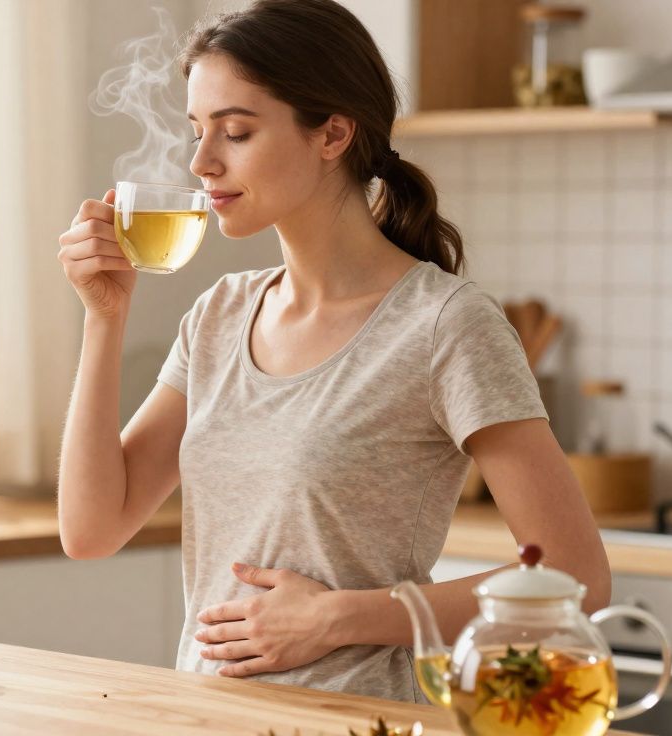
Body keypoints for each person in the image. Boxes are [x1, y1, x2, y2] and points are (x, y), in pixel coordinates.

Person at [54, 0, 609, 703]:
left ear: (333, 134)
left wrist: (336, 618)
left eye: (236, 131)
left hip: (358, 717)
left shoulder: (444, 324)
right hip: (204, 715)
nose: (202, 161)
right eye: (197, 131)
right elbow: (92, 530)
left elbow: (576, 578)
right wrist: (103, 320)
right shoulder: (221, 314)